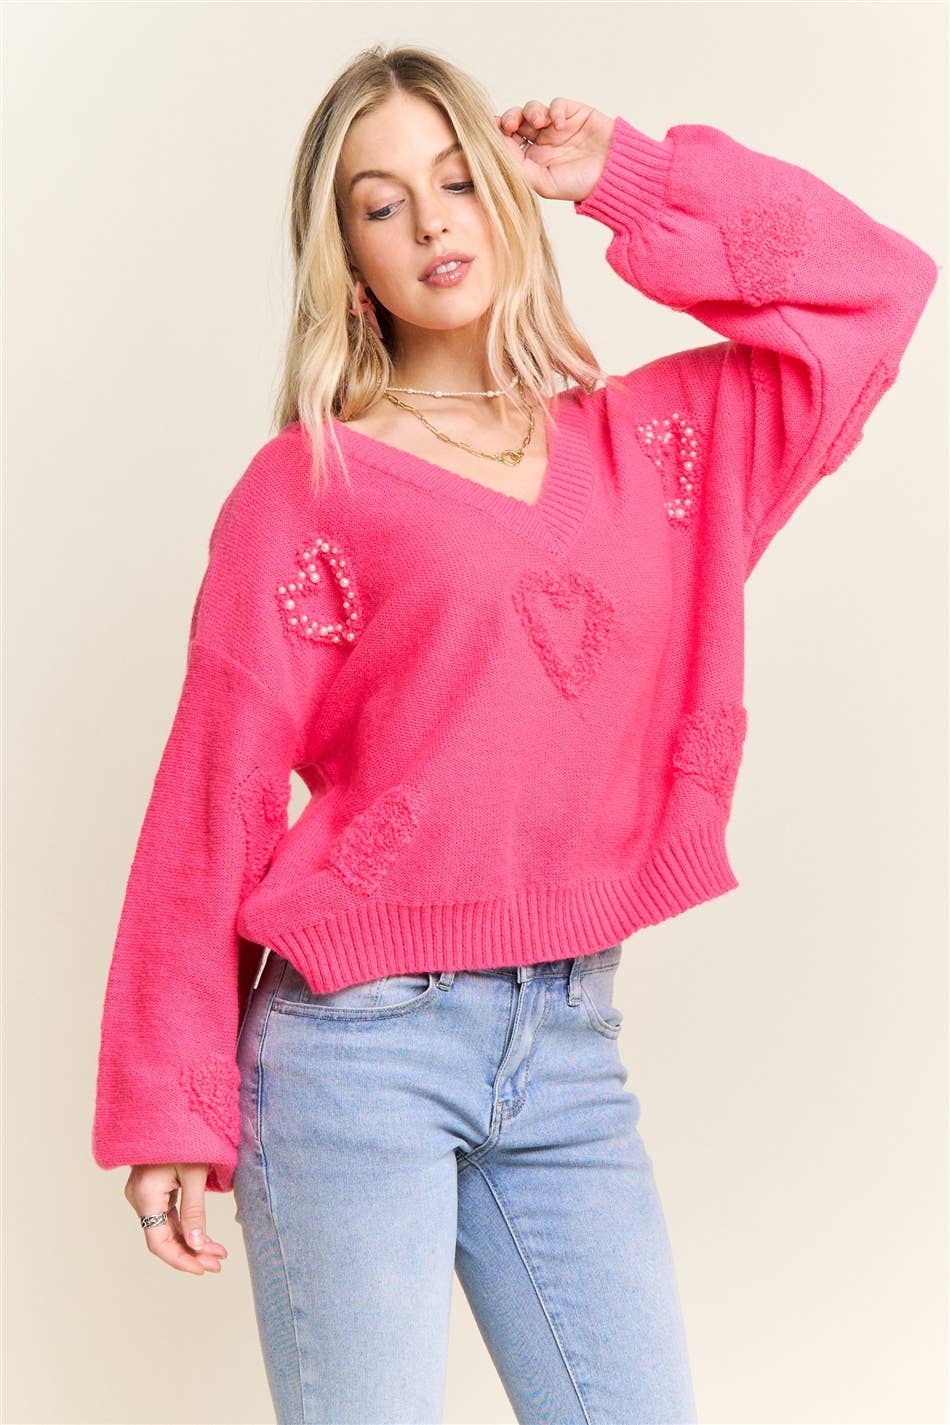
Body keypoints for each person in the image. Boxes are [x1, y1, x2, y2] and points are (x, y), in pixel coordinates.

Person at [91, 43, 938, 1425]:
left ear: (502, 192)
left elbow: (876, 290)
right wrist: (169, 1109)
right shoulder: (306, 487)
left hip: (570, 1044)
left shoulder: (655, 448)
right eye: (382, 204)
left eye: (456, 178)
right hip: (356, 1051)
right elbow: (213, 792)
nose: (431, 222)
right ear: (346, 261)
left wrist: (628, 178)